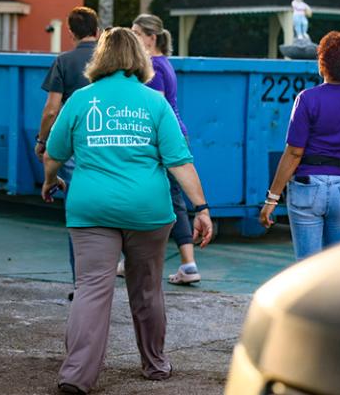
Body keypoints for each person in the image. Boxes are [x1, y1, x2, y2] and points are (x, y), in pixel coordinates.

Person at [41, 27, 213, 394]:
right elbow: (180, 162)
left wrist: (50, 181)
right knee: (148, 289)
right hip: (147, 212)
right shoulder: (154, 103)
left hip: (91, 211)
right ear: (140, 58)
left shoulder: (81, 100)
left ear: (99, 58)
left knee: (91, 289)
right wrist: (201, 208)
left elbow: (54, 154)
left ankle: (76, 376)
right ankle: (155, 364)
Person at [259, 31, 340, 261]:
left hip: (308, 186)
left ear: (324, 63)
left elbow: (294, 153)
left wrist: (271, 199)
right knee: (333, 266)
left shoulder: (307, 99)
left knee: (306, 267)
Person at [131, 13, 202, 285]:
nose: (133, 36)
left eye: (137, 32)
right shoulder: (163, 64)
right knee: (171, 199)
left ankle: (188, 264)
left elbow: (155, 111)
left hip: (166, 140)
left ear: (151, 37)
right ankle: (186, 264)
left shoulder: (153, 68)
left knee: (168, 199)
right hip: (174, 136)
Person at [36, 6, 100, 295]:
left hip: (77, 145)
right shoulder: (112, 59)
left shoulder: (64, 61)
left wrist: (42, 141)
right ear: (98, 29)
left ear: (71, 33)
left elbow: (51, 109)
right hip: (115, 144)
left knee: (79, 213)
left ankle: (82, 283)